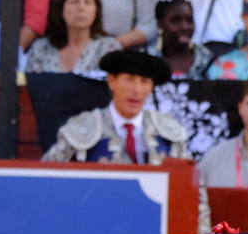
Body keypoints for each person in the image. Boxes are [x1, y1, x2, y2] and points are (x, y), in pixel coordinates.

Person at [42, 49, 188, 163]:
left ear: (151, 89)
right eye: (129, 80)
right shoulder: (82, 128)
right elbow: (47, 175)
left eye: (144, 82)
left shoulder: (169, 130)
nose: (136, 90)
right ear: (112, 82)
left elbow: (189, 184)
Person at [24, 0, 122, 73]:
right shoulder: (41, 49)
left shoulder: (108, 48)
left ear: (96, 11)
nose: (81, 8)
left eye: (88, 2)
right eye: (74, 2)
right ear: (61, 10)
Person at [148, 0, 214, 79]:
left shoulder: (208, 60)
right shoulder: (149, 60)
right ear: (160, 24)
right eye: (176, 20)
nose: (185, 27)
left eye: (189, 20)